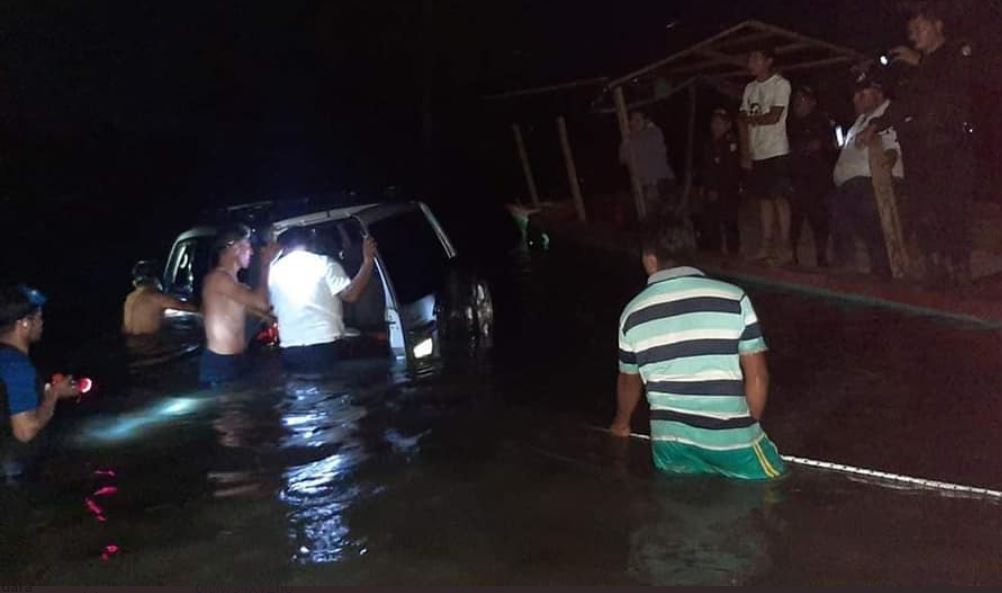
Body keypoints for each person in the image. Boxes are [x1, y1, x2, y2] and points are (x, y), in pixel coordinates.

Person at [610, 219, 786, 480]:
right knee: (776, 486)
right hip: (733, 442)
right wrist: (745, 427)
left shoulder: (632, 314)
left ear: (649, 260)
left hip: (671, 444)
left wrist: (621, 423)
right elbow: (758, 376)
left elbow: (628, 380)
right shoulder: (734, 298)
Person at [859, 1, 974, 285]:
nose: (913, 35)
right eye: (910, 31)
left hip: (949, 146)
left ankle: (959, 268)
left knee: (951, 208)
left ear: (937, 26)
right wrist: (875, 125)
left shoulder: (957, 53)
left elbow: (953, 87)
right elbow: (903, 103)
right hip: (919, 148)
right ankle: (935, 266)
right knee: (924, 208)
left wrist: (921, 63)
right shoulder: (915, 67)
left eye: (918, 28)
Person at [267, 226, 378, 374]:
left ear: (282, 247)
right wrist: (368, 262)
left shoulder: (273, 271)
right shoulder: (324, 263)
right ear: (311, 243)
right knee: (332, 390)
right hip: (324, 343)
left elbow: (270, 308)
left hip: (290, 346)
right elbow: (351, 295)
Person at [0, 285, 81, 476]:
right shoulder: (17, 365)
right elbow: (25, 431)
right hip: (13, 470)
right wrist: (53, 395)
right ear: (25, 323)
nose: (42, 323)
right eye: (39, 317)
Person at [830, 76, 905, 279]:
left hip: (870, 183)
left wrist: (884, 165)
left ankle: (878, 271)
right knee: (841, 219)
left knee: (869, 223)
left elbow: (892, 150)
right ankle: (853, 267)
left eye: (862, 95)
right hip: (852, 185)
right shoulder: (861, 120)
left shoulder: (886, 116)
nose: (856, 99)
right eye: (855, 95)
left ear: (878, 94)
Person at [199, 224, 279, 385]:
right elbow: (262, 303)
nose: (252, 252)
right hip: (221, 364)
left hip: (236, 360)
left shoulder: (234, 285)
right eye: (248, 246)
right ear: (235, 248)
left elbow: (249, 308)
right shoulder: (219, 278)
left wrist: (267, 317)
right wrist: (265, 264)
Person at [738, 46, 794, 264]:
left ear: (768, 61)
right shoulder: (749, 88)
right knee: (764, 200)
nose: (751, 62)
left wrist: (750, 120)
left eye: (755, 57)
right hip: (757, 151)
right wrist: (746, 151)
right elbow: (742, 115)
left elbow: (774, 116)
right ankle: (766, 244)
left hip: (776, 149)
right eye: (750, 58)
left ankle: (785, 246)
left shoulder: (781, 85)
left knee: (779, 198)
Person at [787, 85, 835, 267]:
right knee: (795, 219)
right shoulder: (791, 124)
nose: (798, 103)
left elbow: (821, 145)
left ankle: (821, 257)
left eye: (802, 99)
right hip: (796, 178)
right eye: (796, 99)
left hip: (816, 180)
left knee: (819, 219)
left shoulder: (821, 121)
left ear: (812, 102)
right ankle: (791, 255)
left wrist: (804, 148)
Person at [696, 108, 742, 255]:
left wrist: (717, 189)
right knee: (711, 222)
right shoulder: (709, 143)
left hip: (727, 190)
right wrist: (705, 186)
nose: (715, 126)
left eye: (719, 122)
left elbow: (730, 170)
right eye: (713, 122)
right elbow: (706, 168)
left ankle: (733, 252)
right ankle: (714, 252)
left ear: (728, 125)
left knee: (729, 222)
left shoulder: (730, 142)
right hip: (711, 189)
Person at [619, 111, 679, 220]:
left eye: (638, 120)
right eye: (633, 120)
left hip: (661, 182)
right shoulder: (629, 140)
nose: (634, 123)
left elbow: (648, 146)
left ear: (645, 121)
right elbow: (623, 158)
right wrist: (627, 141)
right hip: (645, 186)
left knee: (667, 217)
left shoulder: (654, 133)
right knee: (651, 219)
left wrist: (631, 139)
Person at [122, 260, 198, 335]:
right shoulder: (156, 298)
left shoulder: (130, 297)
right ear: (155, 279)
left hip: (131, 343)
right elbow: (189, 307)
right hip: (148, 343)